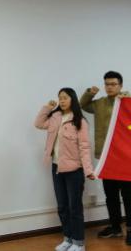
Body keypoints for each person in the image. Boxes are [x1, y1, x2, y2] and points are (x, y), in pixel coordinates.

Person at [80, 71, 131, 245]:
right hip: (106, 156)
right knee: (110, 195)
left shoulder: (127, 102)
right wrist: (90, 92)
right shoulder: (99, 104)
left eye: (113, 84)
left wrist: (128, 97)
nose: (109, 87)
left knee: (128, 195)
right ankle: (115, 227)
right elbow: (83, 105)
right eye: (107, 84)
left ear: (120, 85)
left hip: (125, 156)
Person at [35, 88, 95, 251]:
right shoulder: (55, 117)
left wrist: (88, 170)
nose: (61, 101)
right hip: (56, 168)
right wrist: (47, 108)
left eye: (65, 98)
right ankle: (68, 239)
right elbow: (38, 124)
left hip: (74, 170)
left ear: (72, 100)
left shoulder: (79, 121)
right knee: (62, 207)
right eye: (60, 98)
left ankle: (79, 243)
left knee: (74, 208)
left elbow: (84, 147)